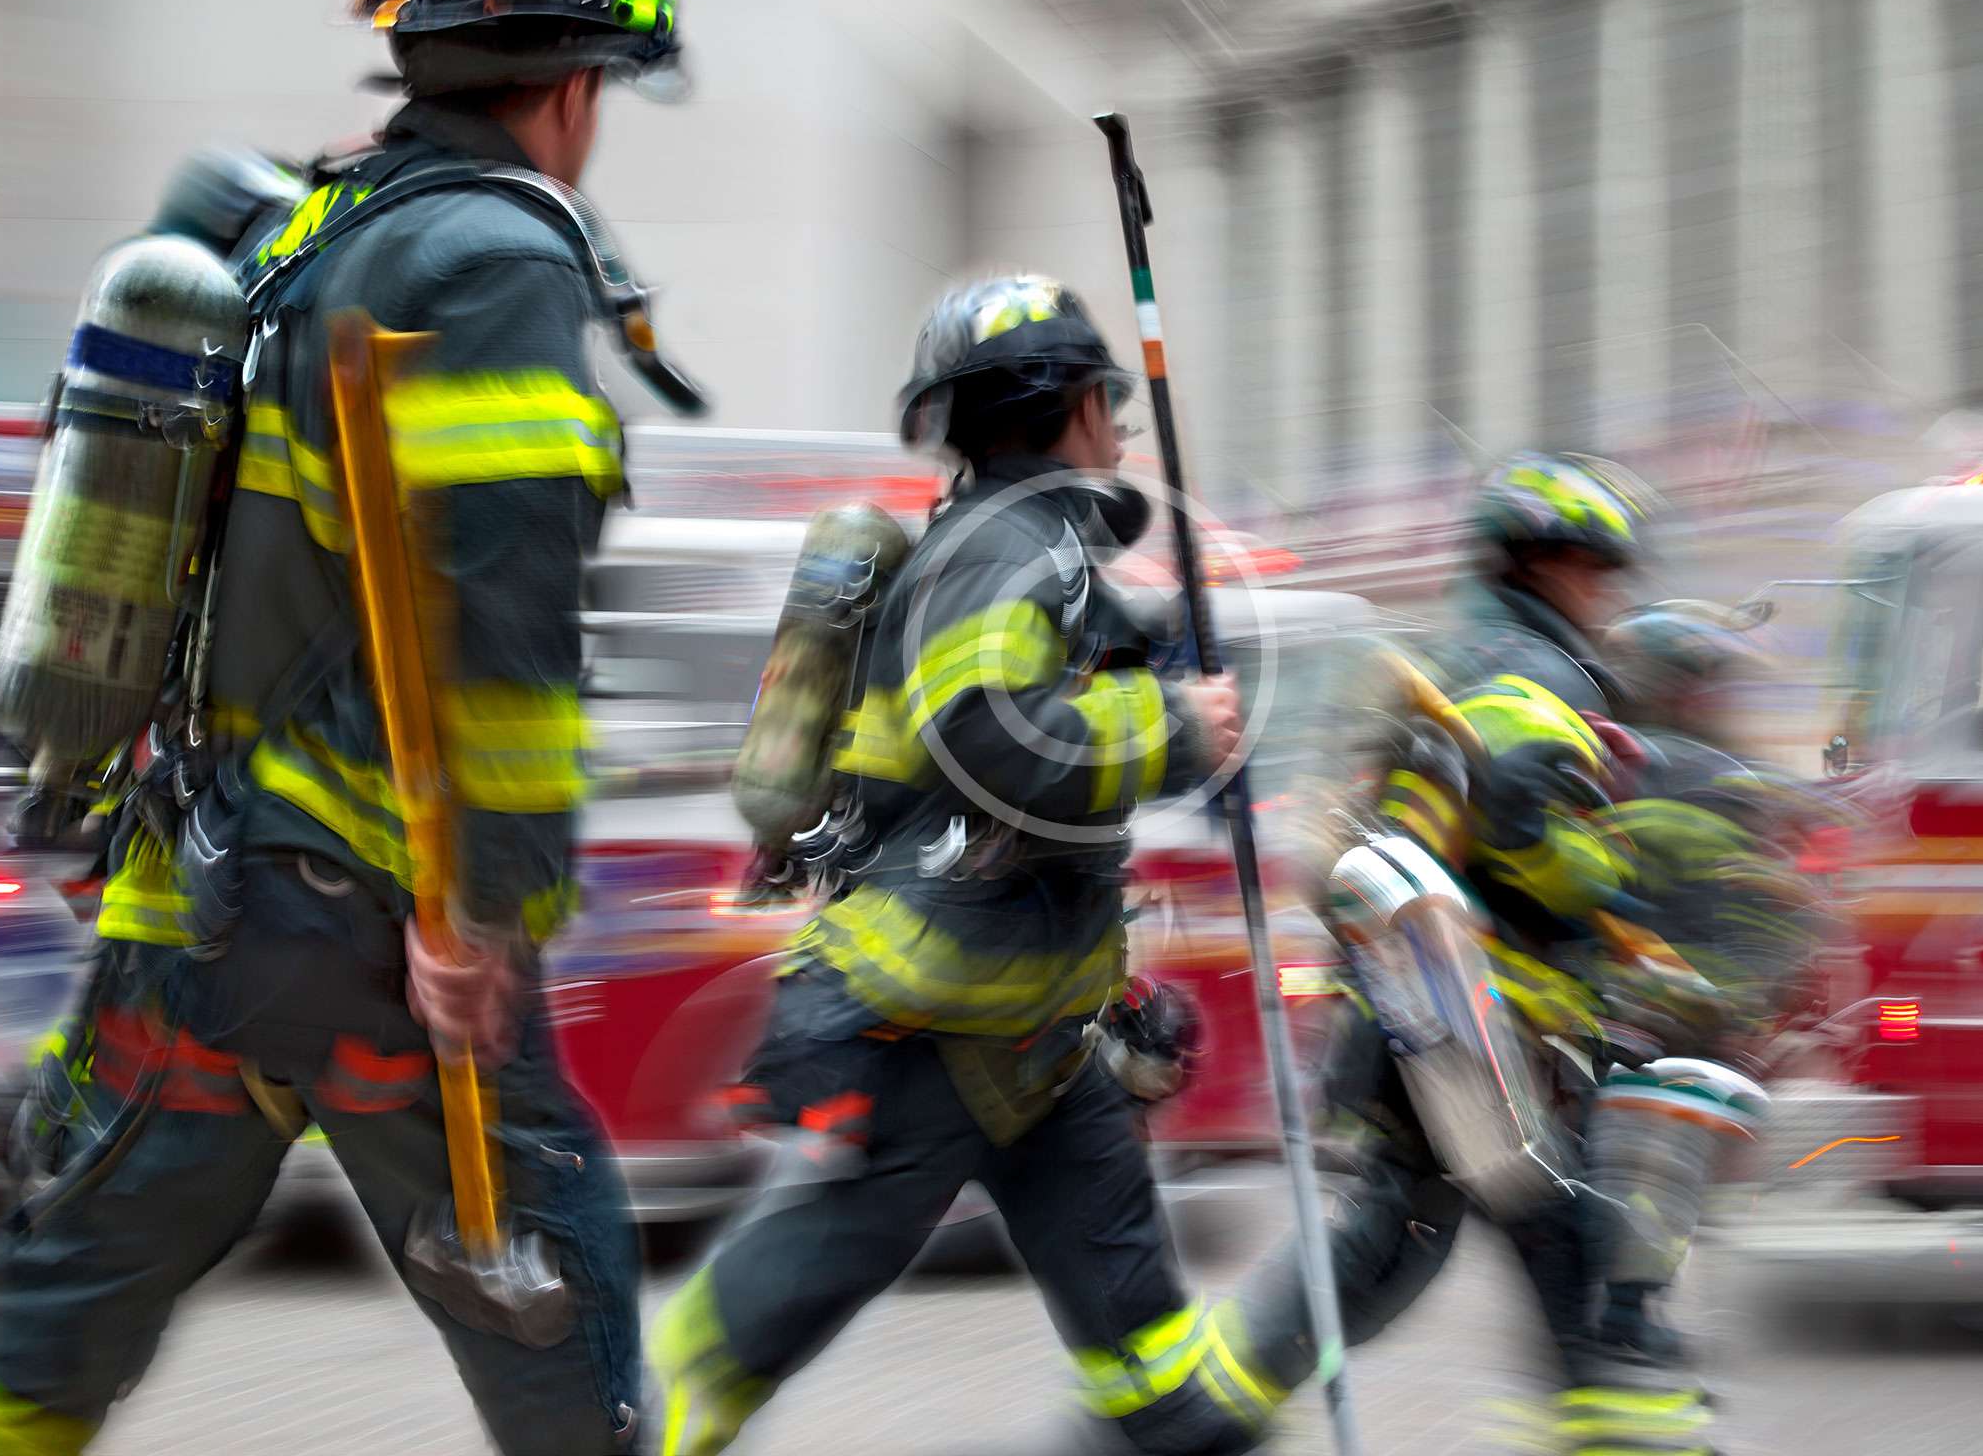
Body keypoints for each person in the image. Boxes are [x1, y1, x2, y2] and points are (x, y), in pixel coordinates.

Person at [0, 0, 685, 1450]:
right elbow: (501, 634)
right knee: (564, 1340)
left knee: (42, 1326)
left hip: (191, 891)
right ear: (580, 83)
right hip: (379, 914)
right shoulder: (494, 265)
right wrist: (484, 909)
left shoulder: (304, 236)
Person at [650, 274, 1260, 1456]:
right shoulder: (1004, 557)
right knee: (769, 1313)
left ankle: (1180, 1426)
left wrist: (1176, 685)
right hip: (935, 1028)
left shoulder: (1027, 551)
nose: (1123, 424)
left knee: (1153, 1360)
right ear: (1072, 407)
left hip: (1034, 1030)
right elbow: (992, 735)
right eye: (1108, 400)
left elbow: (1062, 733)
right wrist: (1179, 731)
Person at [1226, 453, 1736, 1456]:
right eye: (1597, 569)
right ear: (1542, 564)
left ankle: (1205, 1403)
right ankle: (1194, 1410)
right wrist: (1605, 875)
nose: (1608, 593)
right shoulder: (1532, 670)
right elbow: (1516, 819)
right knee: (1534, 1251)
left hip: (1441, 1025)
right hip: (1493, 1037)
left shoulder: (1466, 656)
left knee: (1401, 1249)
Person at [1587, 602, 1831, 1404]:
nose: (1716, 697)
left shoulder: (1604, 758)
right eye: (1707, 681)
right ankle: (1623, 1319)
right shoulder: (1710, 775)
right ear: (1680, 687)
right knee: (1662, 1175)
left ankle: (1618, 1313)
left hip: (1626, 1006)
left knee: (1636, 1176)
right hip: (1675, 1013)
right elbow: (1774, 903)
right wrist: (1748, 1006)